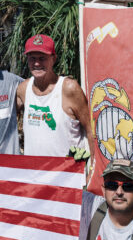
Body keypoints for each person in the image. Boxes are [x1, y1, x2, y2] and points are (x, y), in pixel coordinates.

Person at [16, 33, 96, 163]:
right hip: (34, 175)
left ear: (53, 58)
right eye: (32, 58)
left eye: (42, 58)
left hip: (67, 175)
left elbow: (91, 131)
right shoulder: (23, 89)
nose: (36, 63)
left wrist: (92, 170)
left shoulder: (69, 88)